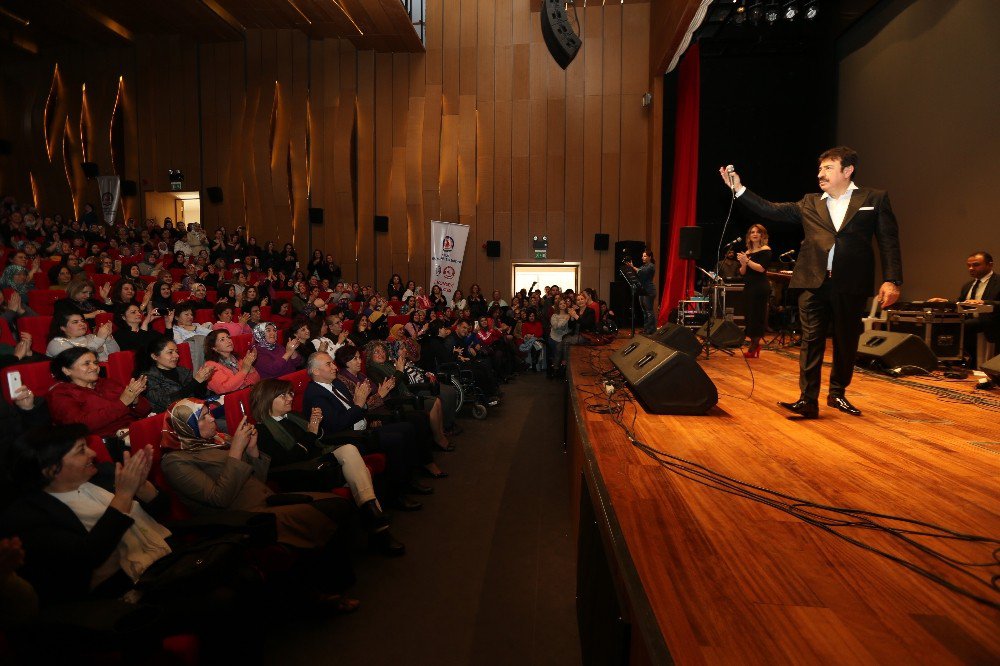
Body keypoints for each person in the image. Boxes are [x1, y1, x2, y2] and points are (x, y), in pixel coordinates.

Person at [721, 146, 902, 418]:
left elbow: (888, 241)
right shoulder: (809, 202)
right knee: (811, 339)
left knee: (846, 340)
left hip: (851, 282)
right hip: (812, 281)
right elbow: (771, 210)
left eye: (828, 167)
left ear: (847, 170)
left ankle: (838, 393)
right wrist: (739, 189)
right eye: (820, 169)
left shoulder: (873, 198)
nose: (821, 173)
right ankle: (808, 400)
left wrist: (892, 280)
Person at [158, 400, 359, 611]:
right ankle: (322, 595)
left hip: (266, 499)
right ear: (185, 427)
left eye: (209, 413)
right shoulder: (175, 462)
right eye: (203, 418)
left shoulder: (217, 440)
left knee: (338, 504)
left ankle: (329, 585)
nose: (211, 419)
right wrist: (236, 451)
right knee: (323, 514)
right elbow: (219, 498)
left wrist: (252, 451)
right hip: (244, 518)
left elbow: (258, 479)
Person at [249, 379, 404, 556]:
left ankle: (374, 521)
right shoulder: (261, 431)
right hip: (303, 474)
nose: (289, 398)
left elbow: (317, 442)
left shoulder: (293, 417)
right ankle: (376, 523)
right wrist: (311, 432)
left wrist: (316, 426)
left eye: (290, 394)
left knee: (349, 452)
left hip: (320, 462)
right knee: (353, 464)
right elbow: (288, 459)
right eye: (282, 395)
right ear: (267, 400)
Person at [302, 352, 428, 511]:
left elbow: (357, 407)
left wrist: (364, 411)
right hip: (348, 438)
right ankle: (396, 496)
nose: (334, 367)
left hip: (362, 426)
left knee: (407, 427)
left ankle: (408, 480)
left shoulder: (337, 384)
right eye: (329, 364)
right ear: (316, 371)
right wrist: (359, 406)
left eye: (333, 363)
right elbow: (337, 425)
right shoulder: (315, 395)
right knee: (396, 439)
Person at [47, 348, 149, 437]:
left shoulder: (107, 382)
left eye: (95, 363)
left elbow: (145, 410)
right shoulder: (61, 394)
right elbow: (80, 426)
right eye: (86, 364)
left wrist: (135, 400)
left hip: (135, 429)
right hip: (107, 442)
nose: (95, 367)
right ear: (67, 370)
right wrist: (122, 403)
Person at [929, 251, 999, 368]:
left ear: (990, 265)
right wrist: (945, 302)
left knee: (962, 326)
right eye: (969, 265)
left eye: (976, 265)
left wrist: (984, 302)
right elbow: (962, 304)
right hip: (970, 323)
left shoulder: (998, 282)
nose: (971, 268)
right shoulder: (968, 285)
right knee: (941, 324)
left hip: (991, 324)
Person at [136, 338, 213, 412]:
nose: (177, 356)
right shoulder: (147, 377)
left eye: (176, 352)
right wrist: (195, 382)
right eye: (170, 352)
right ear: (155, 356)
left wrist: (202, 381)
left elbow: (200, 395)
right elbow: (166, 402)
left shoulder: (183, 371)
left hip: (194, 411)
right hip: (169, 419)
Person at [737, 225, 772, 358]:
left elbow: (761, 269)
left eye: (758, 232)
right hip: (749, 286)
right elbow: (742, 272)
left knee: (757, 316)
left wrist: (747, 260)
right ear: (749, 236)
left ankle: (754, 345)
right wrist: (743, 262)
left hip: (759, 287)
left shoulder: (766, 250)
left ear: (763, 235)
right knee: (749, 315)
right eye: (752, 232)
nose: (755, 234)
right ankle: (754, 343)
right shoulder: (747, 251)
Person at [202, 330, 260, 395]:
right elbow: (223, 389)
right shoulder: (210, 365)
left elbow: (256, 380)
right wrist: (244, 370)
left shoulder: (237, 359)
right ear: (214, 348)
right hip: (228, 401)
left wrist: (250, 366)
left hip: (246, 394)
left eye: (228, 337)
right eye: (222, 340)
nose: (229, 341)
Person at [46, 311, 120, 361]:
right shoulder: (56, 343)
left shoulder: (90, 337)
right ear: (63, 328)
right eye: (75, 322)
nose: (82, 324)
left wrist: (108, 338)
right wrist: (99, 339)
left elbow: (116, 356)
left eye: (82, 321)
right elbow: (78, 360)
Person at [627, 248, 657, 334]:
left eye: (645, 256)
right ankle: (646, 328)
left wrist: (633, 267)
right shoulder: (643, 266)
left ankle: (651, 330)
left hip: (649, 291)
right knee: (644, 311)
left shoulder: (651, 266)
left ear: (650, 257)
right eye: (642, 256)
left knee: (649, 311)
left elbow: (641, 272)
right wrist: (631, 268)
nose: (642, 258)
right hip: (642, 290)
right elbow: (638, 273)